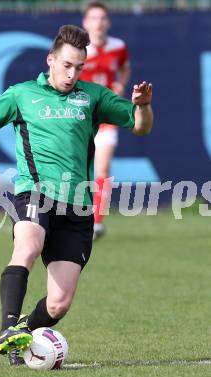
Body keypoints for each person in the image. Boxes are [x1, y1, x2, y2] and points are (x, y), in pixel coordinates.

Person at [0, 24, 153, 366]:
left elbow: (141, 126)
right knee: (27, 247)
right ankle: (8, 328)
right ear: (50, 60)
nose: (72, 74)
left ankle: (25, 331)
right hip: (35, 193)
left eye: (79, 67)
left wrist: (142, 106)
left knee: (58, 304)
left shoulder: (92, 97)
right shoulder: (21, 94)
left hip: (78, 209)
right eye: (66, 65)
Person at [80, 1, 131, 239]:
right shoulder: (79, 50)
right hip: (80, 118)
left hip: (106, 118)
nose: (98, 23)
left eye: (102, 18)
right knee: (78, 170)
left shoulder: (118, 47)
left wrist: (120, 84)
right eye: (93, 18)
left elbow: (124, 68)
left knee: (102, 167)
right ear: (85, 23)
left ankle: (96, 222)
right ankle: (69, 217)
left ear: (108, 22)